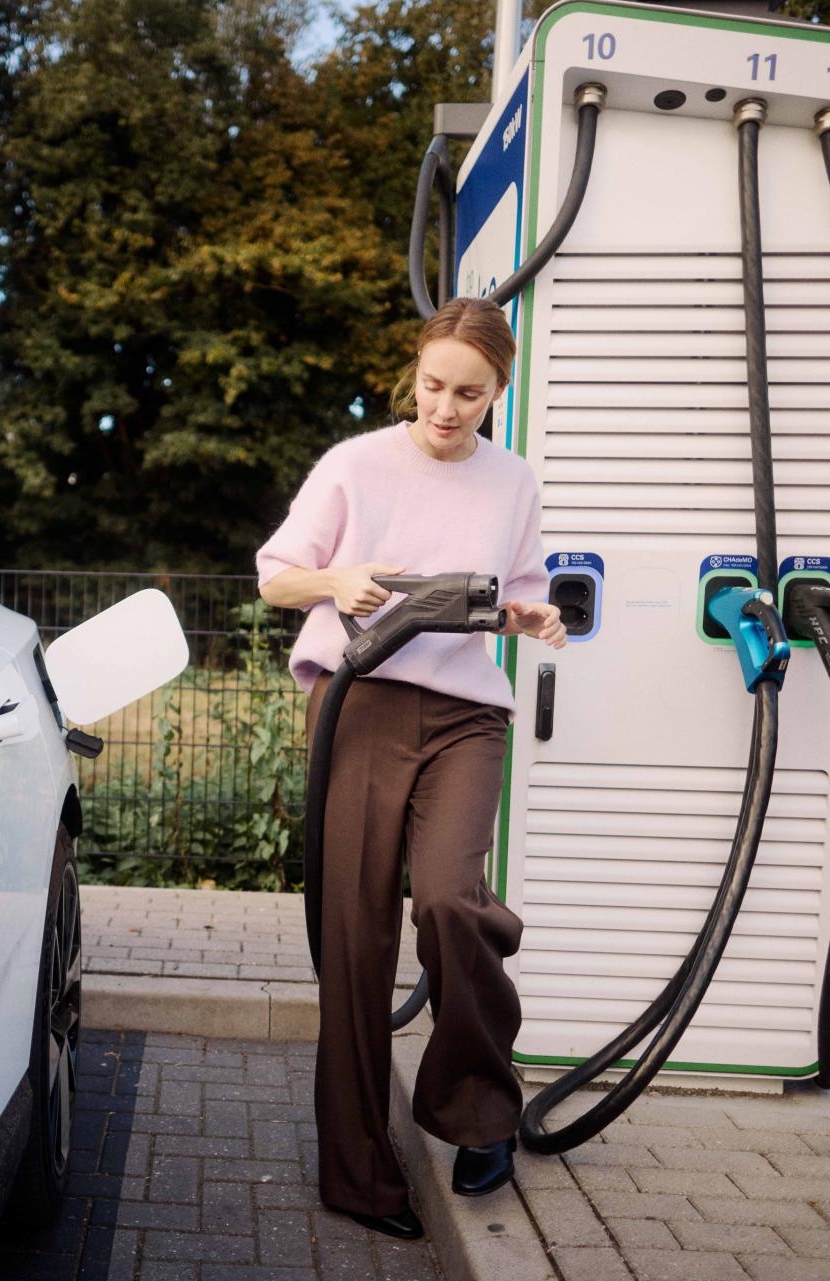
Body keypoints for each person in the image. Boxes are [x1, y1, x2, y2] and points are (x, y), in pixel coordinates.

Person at [255, 296, 566, 1240]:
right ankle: (360, 1175)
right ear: (415, 374)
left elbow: (519, 591)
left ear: (498, 389)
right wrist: (336, 581)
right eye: (434, 385)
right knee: (354, 937)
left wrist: (531, 615)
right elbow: (274, 574)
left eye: (469, 393)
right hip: (358, 704)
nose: (446, 408)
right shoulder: (356, 464)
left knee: (450, 901)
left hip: (465, 716)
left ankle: (479, 1109)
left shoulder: (512, 482)